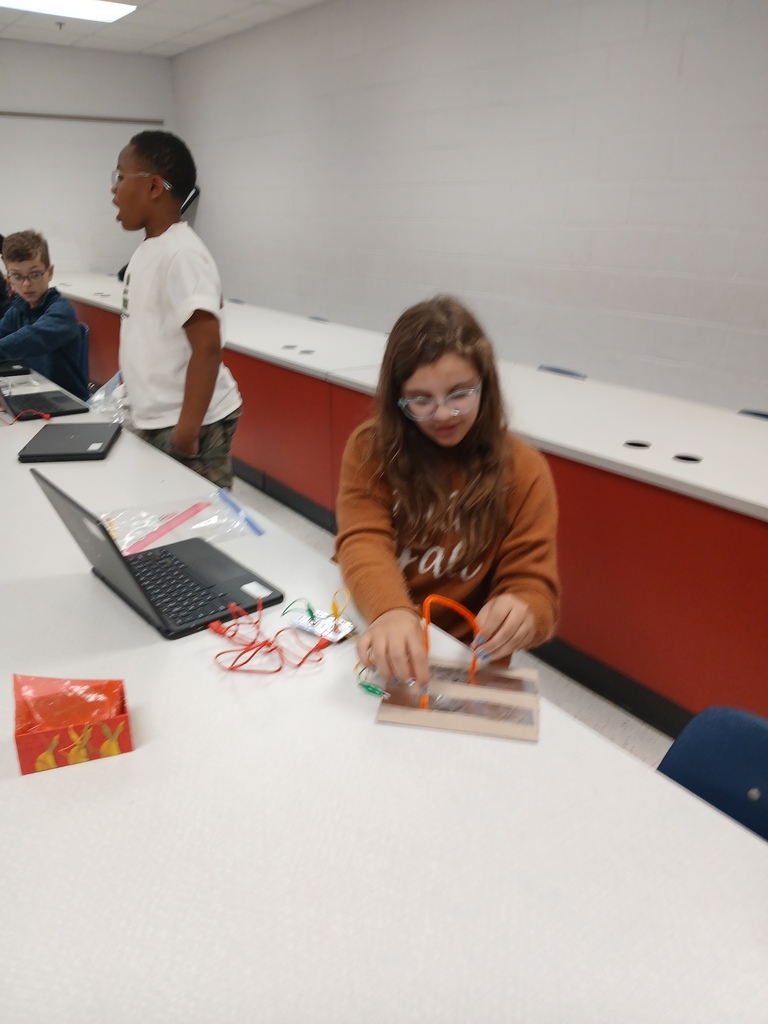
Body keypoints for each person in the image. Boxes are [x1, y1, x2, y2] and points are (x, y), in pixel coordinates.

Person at [335, 295, 560, 687]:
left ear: (485, 386)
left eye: (460, 394)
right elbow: (362, 538)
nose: (442, 414)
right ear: (397, 399)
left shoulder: (524, 471)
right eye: (421, 400)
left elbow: (534, 586)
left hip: (463, 658)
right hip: (380, 627)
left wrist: (523, 611)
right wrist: (390, 612)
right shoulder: (370, 449)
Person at [111, 129, 242, 489]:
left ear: (154, 187)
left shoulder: (181, 253)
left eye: (120, 177)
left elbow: (207, 347)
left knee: (198, 523)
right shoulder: (147, 251)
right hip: (158, 417)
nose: (113, 190)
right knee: (164, 516)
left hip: (191, 422)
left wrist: (187, 431)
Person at [0, 230, 88, 399]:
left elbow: (31, 337)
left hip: (68, 400)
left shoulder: (62, 311)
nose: (26, 284)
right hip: (34, 392)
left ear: (50, 272)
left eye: (35, 274)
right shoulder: (18, 309)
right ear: (9, 279)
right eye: (17, 276)